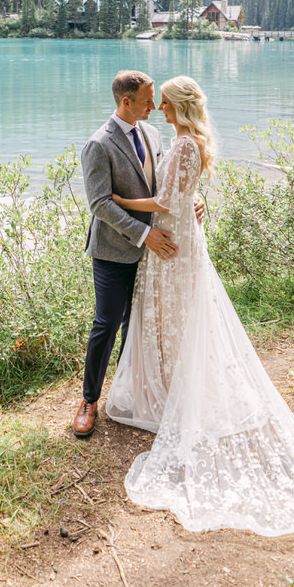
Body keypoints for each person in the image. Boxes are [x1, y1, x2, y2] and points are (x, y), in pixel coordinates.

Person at [104, 76, 294, 535]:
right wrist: (189, 202)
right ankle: (173, 388)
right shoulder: (181, 140)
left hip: (175, 244)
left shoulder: (186, 144)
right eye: (156, 103)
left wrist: (120, 199)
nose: (159, 109)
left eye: (165, 104)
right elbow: (182, 193)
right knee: (173, 320)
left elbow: (167, 198)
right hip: (176, 237)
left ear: (178, 106)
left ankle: (183, 394)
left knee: (181, 319)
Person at [73, 70, 201, 439]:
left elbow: (169, 182)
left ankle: (132, 391)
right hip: (115, 251)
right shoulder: (98, 144)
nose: (155, 106)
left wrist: (194, 197)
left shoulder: (155, 134)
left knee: (141, 324)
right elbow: (100, 205)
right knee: (107, 323)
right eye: (148, 100)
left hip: (154, 252)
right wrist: (144, 234)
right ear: (125, 102)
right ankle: (89, 400)